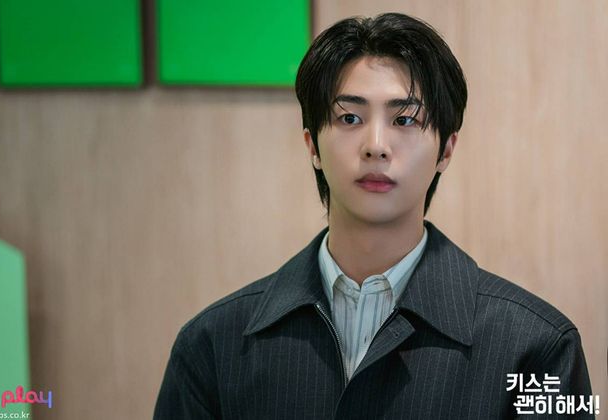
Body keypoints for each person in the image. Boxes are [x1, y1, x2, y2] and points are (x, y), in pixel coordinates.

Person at [154, 13, 593, 419]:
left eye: (405, 120)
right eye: (349, 117)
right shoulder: (211, 346)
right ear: (312, 146)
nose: (376, 146)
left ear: (446, 150)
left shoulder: (541, 348)